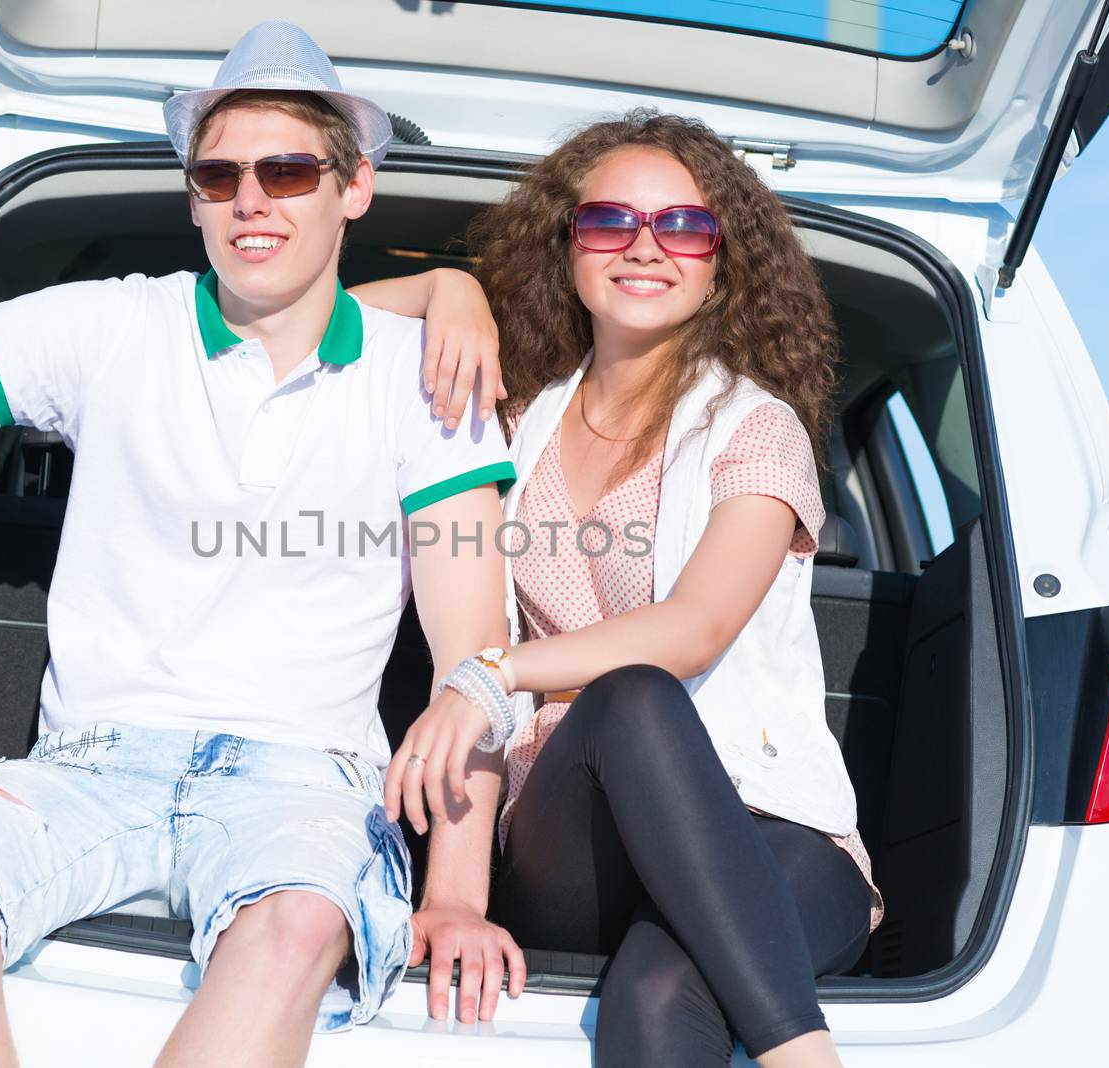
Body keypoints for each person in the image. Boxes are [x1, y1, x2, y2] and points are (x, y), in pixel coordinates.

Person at [0, 22, 521, 1067]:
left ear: (352, 187)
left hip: (305, 787)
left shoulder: (429, 380)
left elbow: (474, 658)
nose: (250, 200)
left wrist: (455, 894)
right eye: (218, 175)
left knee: (298, 926)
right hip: (93, 764)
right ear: (191, 195)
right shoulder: (111, 329)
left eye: (286, 170)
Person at [356, 110, 886, 1066]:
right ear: (569, 249)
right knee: (624, 703)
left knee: (657, 991)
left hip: (771, 831)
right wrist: (449, 287)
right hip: (575, 843)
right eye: (610, 223)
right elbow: (316, 332)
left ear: (724, 261)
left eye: (683, 227)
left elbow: (692, 630)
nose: (646, 247)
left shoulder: (757, 429)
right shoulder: (509, 422)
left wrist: (495, 673)